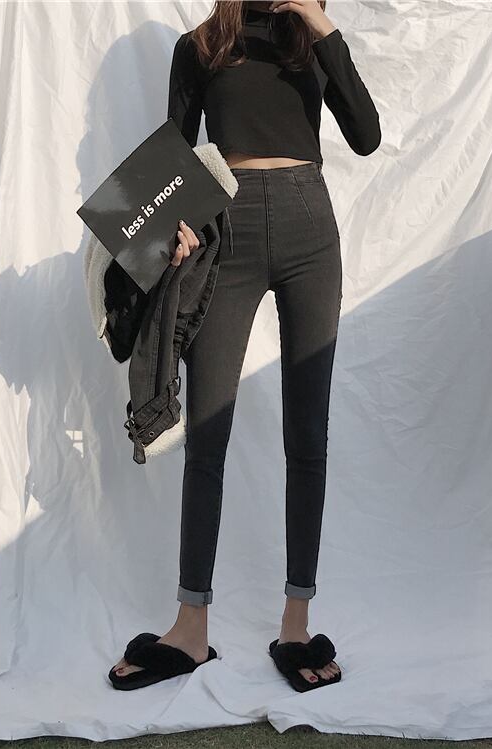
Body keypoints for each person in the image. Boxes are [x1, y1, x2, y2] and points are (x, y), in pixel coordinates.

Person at [109, 0, 381, 692]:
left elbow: (367, 134)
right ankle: (190, 627)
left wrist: (320, 23)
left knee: (307, 433)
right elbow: (175, 155)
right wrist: (173, 228)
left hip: (309, 226)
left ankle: (296, 623)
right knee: (208, 433)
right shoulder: (201, 45)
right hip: (226, 231)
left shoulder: (307, 40)